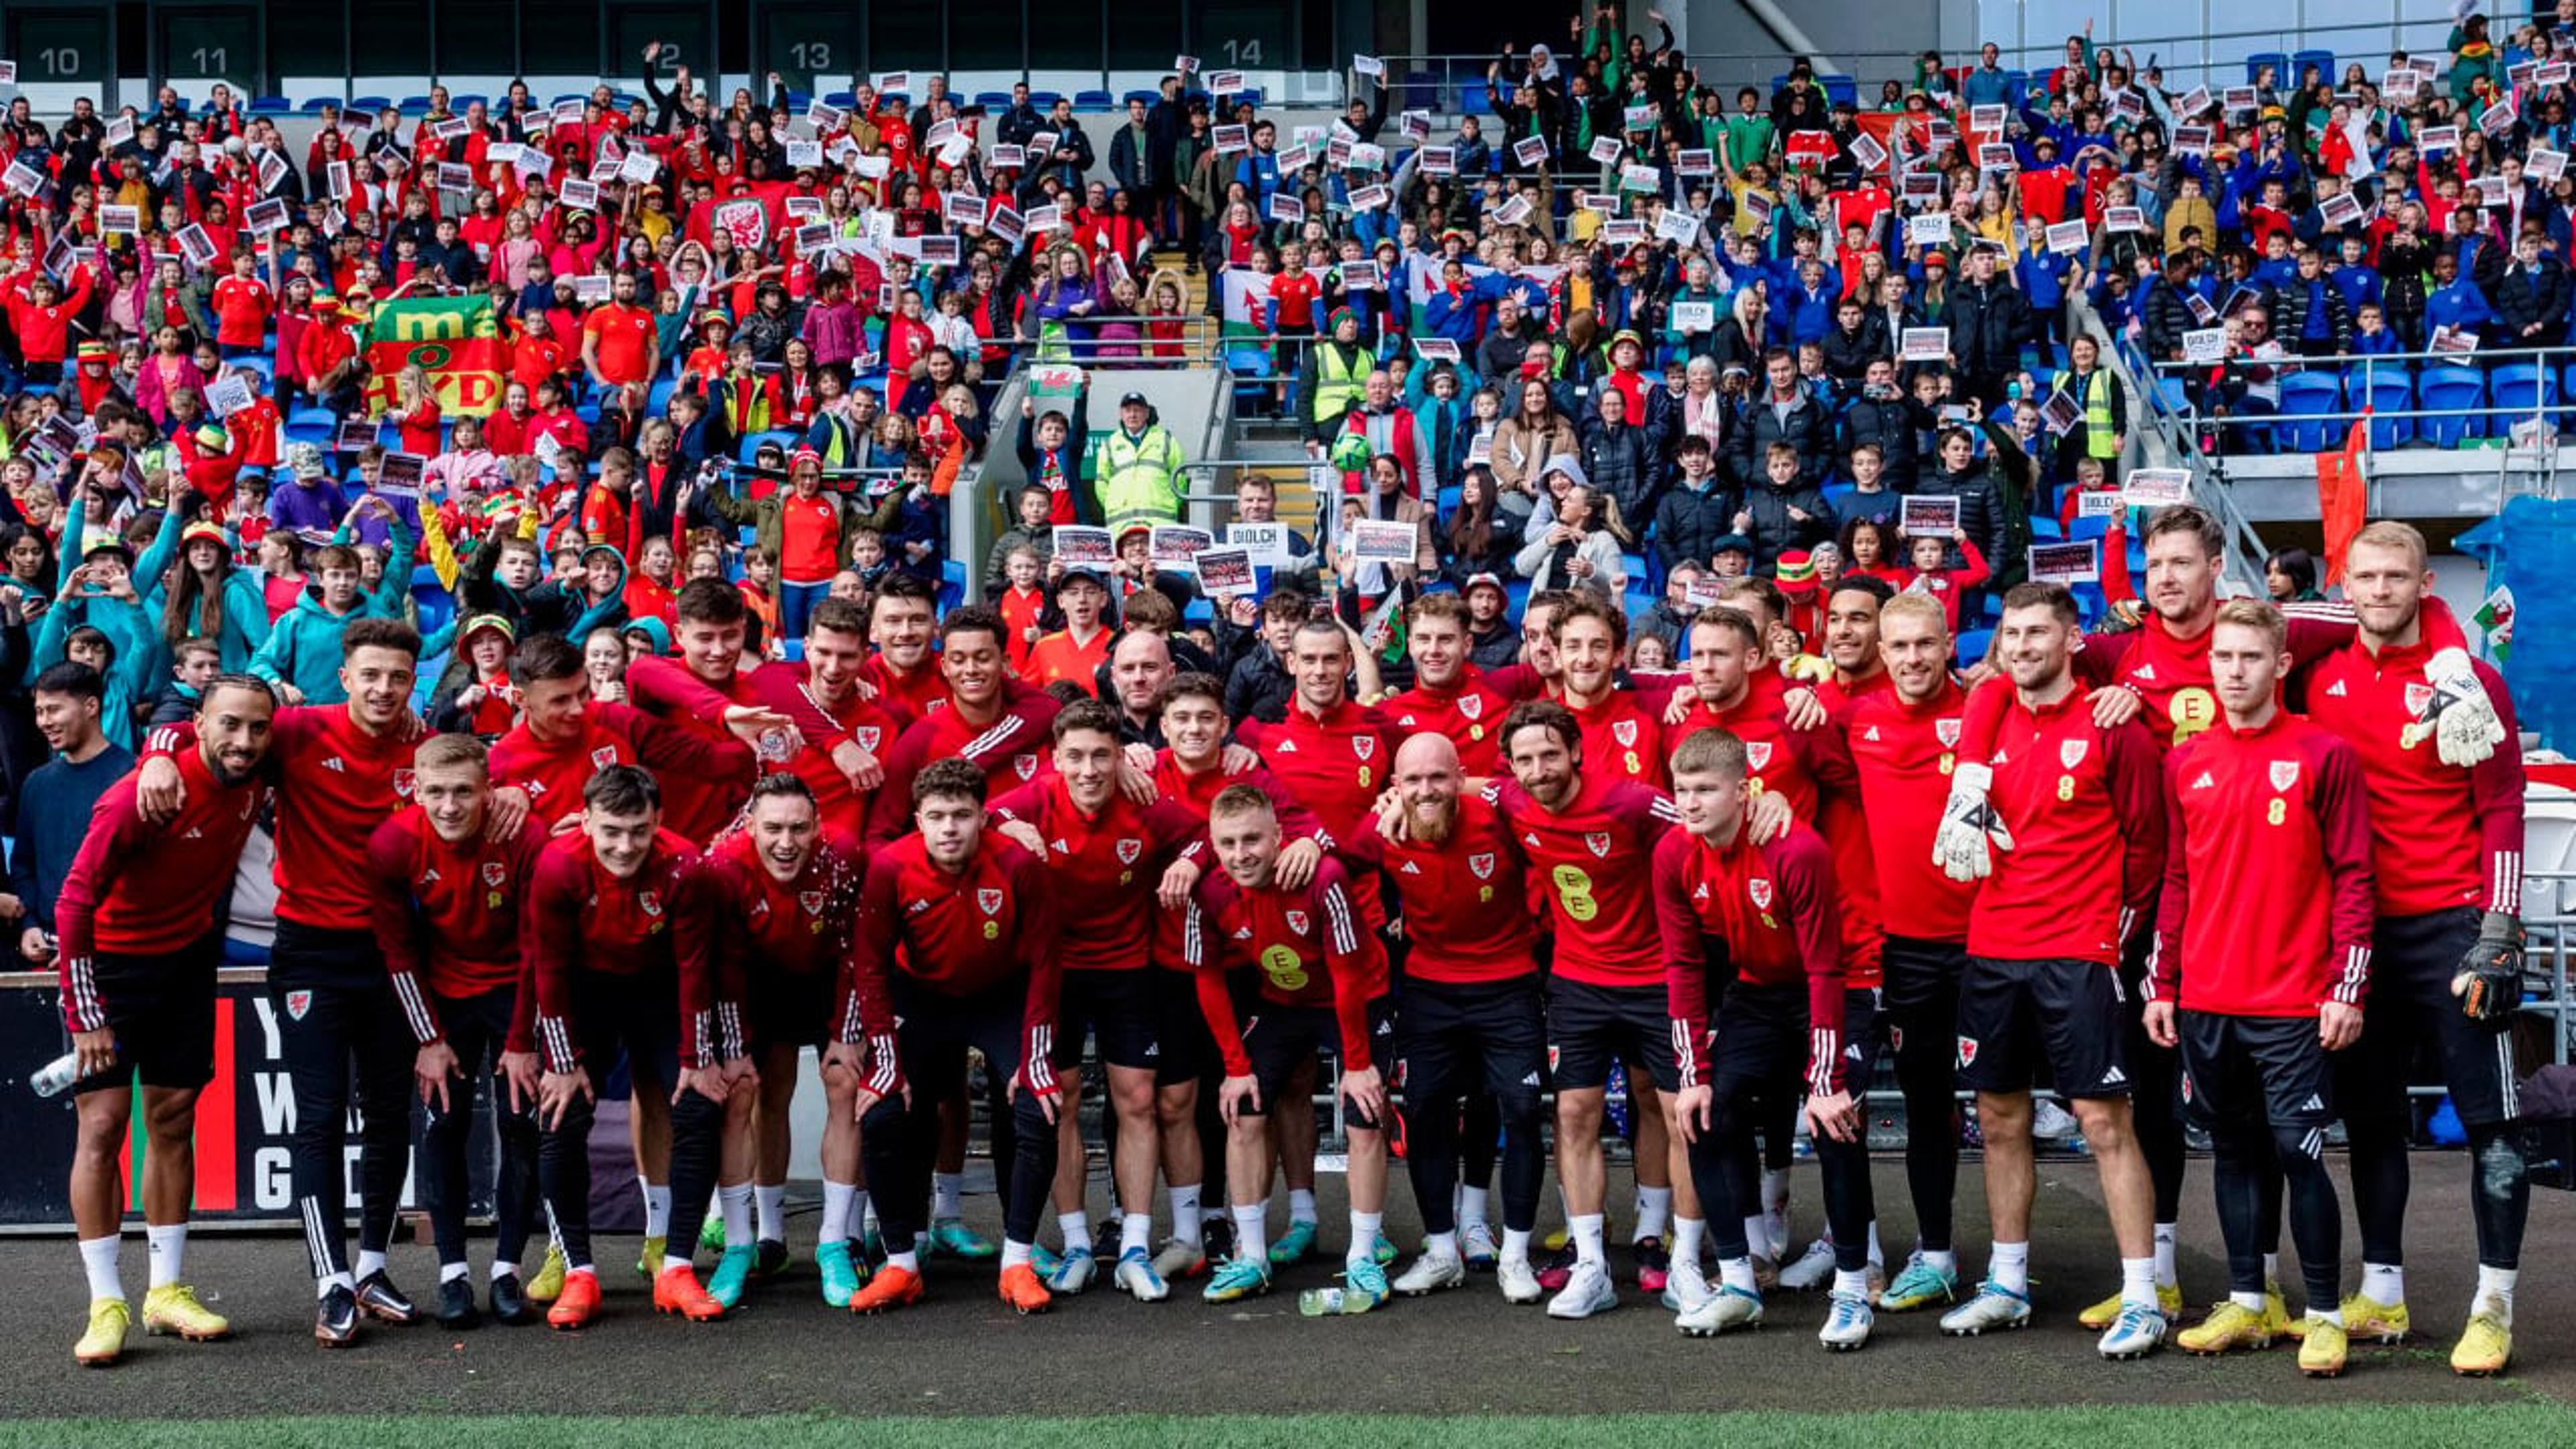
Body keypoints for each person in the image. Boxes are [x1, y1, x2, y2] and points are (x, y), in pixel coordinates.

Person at [136, 617, 460, 1346]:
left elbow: (479, 776)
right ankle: (331, 1281)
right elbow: (195, 719)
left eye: (398, 677)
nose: (383, 689)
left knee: (386, 1114)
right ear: (342, 677)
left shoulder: (423, 746)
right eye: (369, 675)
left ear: (415, 683)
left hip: (397, 956)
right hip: (310, 951)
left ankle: (372, 1267)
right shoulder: (297, 730)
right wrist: (160, 754)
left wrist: (511, 797)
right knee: (317, 1118)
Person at [2304, 522, 2531, 1376]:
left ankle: (2494, 1306)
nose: (2380, 590)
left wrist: (2500, 931)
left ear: (2426, 582)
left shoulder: (2467, 682)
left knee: (2494, 1125)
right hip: (2358, 933)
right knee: (2370, 1120)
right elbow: (2261, 626)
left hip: (2454, 928)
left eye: (2397, 576)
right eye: (2364, 577)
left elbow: (2503, 805)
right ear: (2345, 582)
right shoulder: (2317, 676)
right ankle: (2384, 1292)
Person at [1935, 582, 2170, 1360]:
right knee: (1999, 1120)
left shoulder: (2114, 725)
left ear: (2073, 640)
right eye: (2011, 633)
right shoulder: (1993, 709)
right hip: (1993, 948)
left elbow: (2147, 848)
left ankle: (2142, 1295)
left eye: (2039, 632)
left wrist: (2115, 934)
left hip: (2080, 951)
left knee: (2104, 1122)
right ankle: (2006, 1284)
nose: (2022, 645)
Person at [2141, 600, 2376, 1378]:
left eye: (2249, 658)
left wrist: (2348, 985)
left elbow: (2353, 876)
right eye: (2222, 658)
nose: (2234, 671)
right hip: (2207, 996)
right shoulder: (2186, 761)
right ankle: (2247, 1302)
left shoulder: (2323, 753)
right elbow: (2176, 880)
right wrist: (2163, 982)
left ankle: (2325, 1315)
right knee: (2234, 1152)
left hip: (2295, 1001)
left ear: (2280, 666)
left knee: (2299, 1152)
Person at [55, 674, 276, 1366]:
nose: (243, 741)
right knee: (102, 1127)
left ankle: (165, 1291)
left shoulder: (256, 770)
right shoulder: (141, 796)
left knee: (174, 1119)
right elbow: (72, 906)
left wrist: (163, 738)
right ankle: (105, 1302)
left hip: (185, 963)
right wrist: (87, 1015)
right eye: (229, 726)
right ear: (201, 724)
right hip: (112, 971)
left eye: (257, 729)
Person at [989, 701, 1207, 1300]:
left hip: (1126, 969)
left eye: (1102, 756)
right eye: (1077, 757)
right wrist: (1002, 826)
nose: (1089, 770)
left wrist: (1189, 863)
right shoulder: (1032, 800)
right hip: (1052, 973)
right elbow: (962, 816)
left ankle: (1135, 1243)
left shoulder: (1142, 801)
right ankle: (1077, 1242)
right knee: (1057, 1102)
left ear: (1120, 757)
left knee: (1137, 1100)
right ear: (1055, 760)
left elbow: (1202, 834)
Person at [1657, 726, 1867, 1346]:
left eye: (1705, 789)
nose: (1691, 803)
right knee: (1703, 1113)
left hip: (1830, 989)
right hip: (1758, 991)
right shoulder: (1673, 853)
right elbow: (1684, 966)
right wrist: (1691, 1076)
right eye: (1682, 790)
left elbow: (1827, 966)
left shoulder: (1795, 849)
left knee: (1836, 1123)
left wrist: (1826, 1083)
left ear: (1744, 792)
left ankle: (1853, 1291)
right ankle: (1738, 1284)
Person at [841, 759, 1065, 1317]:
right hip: (922, 997)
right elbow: (868, 966)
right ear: (917, 819)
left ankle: (1017, 1262)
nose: (949, 828)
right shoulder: (890, 867)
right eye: (937, 816)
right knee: (886, 1109)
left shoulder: (1017, 865)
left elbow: (1045, 961)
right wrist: (884, 1059)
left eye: (962, 816)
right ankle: (901, 1263)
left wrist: (1036, 1056)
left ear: (984, 818)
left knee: (1037, 1102)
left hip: (1001, 995)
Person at [1185, 785, 1394, 1313]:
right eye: (1228, 843)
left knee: (1364, 1114)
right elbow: (1207, 981)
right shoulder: (1208, 894)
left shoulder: (1323, 877)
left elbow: (1347, 976)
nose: (1242, 854)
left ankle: (1365, 1253)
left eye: (1253, 839)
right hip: (1283, 1002)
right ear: (1213, 845)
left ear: (1279, 838)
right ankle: (1252, 1255)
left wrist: (1359, 1064)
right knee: (1244, 1109)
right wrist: (1236, 1068)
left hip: (1356, 995)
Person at [1358, 733, 1548, 1302]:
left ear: (1461, 777)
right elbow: (1328, 856)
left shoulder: (1498, 813)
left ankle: (1515, 1255)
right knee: (1426, 1111)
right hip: (1430, 987)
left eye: (1438, 778)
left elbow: (1535, 794)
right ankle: (1441, 1250)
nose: (1426, 790)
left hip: (1509, 981)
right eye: (1412, 781)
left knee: (1519, 1107)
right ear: (1395, 787)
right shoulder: (1384, 828)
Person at [366, 733, 547, 1328]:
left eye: (464, 792)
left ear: (487, 791)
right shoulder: (393, 844)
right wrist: (429, 1040)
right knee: (445, 1124)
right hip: (442, 997)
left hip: (514, 991)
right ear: (415, 792)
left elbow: (537, 948)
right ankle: (451, 1273)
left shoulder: (524, 835)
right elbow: (396, 953)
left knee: (522, 1123)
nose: (450, 806)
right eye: (436, 792)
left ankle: (507, 1270)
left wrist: (522, 1040)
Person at [1831, 593, 1978, 1313]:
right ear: (1880, 654)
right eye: (1900, 647)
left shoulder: (1988, 707)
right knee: (1926, 1104)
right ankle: (1938, 1252)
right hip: (1910, 949)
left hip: (1994, 940)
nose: (1914, 659)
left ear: (1949, 643)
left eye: (1926, 644)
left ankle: (2126, 1269)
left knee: (2015, 1110)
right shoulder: (1854, 718)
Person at [525, 764, 708, 1330]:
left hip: (658, 991)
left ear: (659, 823)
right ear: (585, 822)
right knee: (560, 1112)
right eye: (611, 832)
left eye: (639, 831)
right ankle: (578, 1267)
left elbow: (696, 968)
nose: (625, 846)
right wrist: (562, 1062)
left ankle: (676, 1263)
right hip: (586, 994)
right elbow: (548, 969)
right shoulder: (557, 866)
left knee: (697, 1105)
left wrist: (695, 1060)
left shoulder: (684, 865)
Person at [10, 664, 135, 969]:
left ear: (91, 706)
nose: (44, 722)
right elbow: (24, 863)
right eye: (39, 712)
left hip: (115, 951)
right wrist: (28, 925)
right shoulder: (36, 783)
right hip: (48, 949)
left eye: (53, 710)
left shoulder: (133, 776)